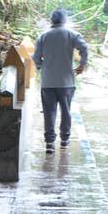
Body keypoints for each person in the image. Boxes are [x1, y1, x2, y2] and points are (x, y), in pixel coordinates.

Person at [32, 9, 89, 154]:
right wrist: (81, 65)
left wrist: (41, 67)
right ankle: (64, 140)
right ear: (64, 20)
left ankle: (50, 143)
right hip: (66, 82)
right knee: (66, 111)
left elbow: (36, 58)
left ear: (51, 20)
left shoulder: (43, 36)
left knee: (49, 112)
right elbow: (84, 48)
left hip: (48, 82)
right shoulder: (72, 35)